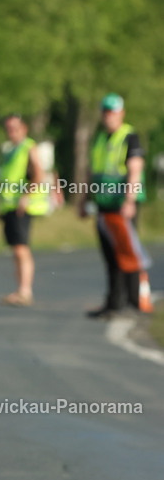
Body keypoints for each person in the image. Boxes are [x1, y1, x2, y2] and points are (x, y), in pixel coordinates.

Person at [81, 93, 149, 318]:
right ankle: (113, 302)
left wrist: (129, 200)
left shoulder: (129, 136)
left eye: (113, 112)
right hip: (103, 204)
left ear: (121, 113)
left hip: (121, 205)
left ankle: (133, 300)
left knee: (127, 253)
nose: (109, 116)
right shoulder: (100, 138)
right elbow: (93, 173)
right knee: (110, 255)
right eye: (106, 112)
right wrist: (85, 200)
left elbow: (135, 170)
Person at [0, 114, 48, 306]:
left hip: (22, 207)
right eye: (8, 128)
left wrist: (26, 196)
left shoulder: (28, 147)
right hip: (9, 206)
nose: (11, 132)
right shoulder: (11, 150)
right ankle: (20, 289)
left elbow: (38, 174)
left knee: (21, 249)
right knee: (15, 250)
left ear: (24, 128)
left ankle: (26, 291)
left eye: (15, 128)